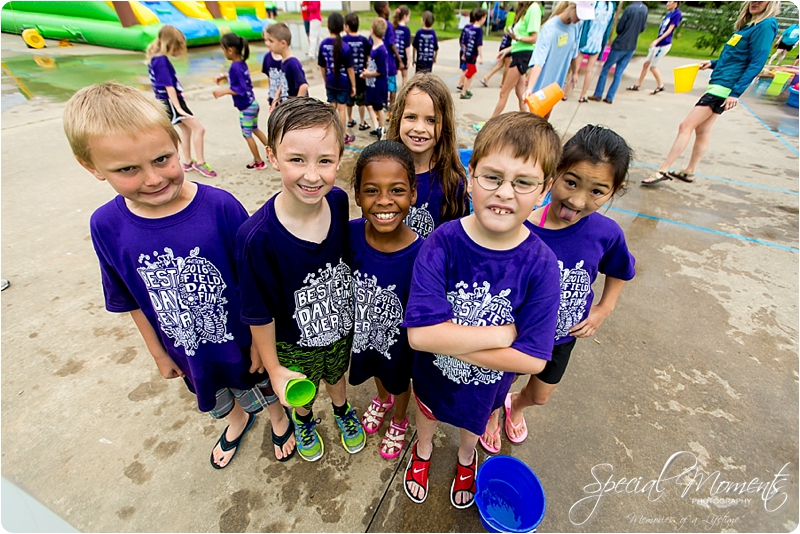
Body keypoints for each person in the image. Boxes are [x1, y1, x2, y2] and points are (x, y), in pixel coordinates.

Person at [63, 82, 296, 467]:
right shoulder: (105, 226)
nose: (153, 179)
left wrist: (261, 344)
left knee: (261, 385)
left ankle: (275, 416)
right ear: (92, 167)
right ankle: (237, 420)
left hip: (241, 339)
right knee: (212, 392)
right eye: (127, 169)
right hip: (184, 347)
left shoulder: (220, 207)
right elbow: (128, 298)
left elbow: (255, 282)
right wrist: (158, 352)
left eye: (162, 159)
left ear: (177, 144)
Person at [402, 112, 561, 508]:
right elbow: (419, 336)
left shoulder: (541, 265)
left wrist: (448, 340)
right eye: (493, 177)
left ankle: (466, 458)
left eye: (523, 182)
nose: (505, 192)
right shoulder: (441, 243)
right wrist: (499, 334)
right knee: (426, 413)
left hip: (488, 387)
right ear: (470, 176)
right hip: (432, 376)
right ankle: (422, 452)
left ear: (544, 190)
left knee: (473, 424)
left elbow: (534, 359)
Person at [487, 124, 636, 451]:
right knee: (497, 382)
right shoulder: (520, 226)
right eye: (571, 182)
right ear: (553, 173)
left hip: (563, 337)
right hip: (515, 334)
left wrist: (604, 308)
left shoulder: (606, 233)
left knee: (540, 395)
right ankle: (492, 415)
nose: (578, 199)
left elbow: (621, 270)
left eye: (597, 191)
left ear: (616, 190)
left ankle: (517, 406)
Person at [235, 97, 366, 462]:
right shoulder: (256, 238)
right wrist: (275, 369)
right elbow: (258, 311)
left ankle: (342, 410)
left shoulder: (339, 202)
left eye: (324, 160)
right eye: (297, 159)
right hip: (292, 344)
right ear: (273, 156)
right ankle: (304, 420)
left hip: (340, 329)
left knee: (337, 374)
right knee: (301, 392)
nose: (312, 175)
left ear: (340, 157)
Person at [641, 1, 779, 186]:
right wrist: (713, 63)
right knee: (702, 129)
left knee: (685, 126)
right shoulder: (750, 26)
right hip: (720, 82)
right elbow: (736, 57)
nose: (754, 2)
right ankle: (689, 171)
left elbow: (756, 63)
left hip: (724, 87)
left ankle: (662, 170)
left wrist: (735, 93)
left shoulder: (765, 25)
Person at [348, 140, 423, 461]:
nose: (384, 201)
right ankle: (382, 399)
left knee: (398, 376)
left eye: (396, 190)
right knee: (376, 367)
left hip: (402, 341)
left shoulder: (424, 253)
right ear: (357, 195)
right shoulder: (348, 235)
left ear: (413, 194)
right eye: (371, 190)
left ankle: (399, 419)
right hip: (364, 331)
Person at [385, 73, 470, 238]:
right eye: (411, 117)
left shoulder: (453, 183)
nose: (419, 128)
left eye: (431, 120)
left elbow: (459, 241)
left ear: (444, 125)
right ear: (398, 119)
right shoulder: (381, 172)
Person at [146, 25, 215, 178]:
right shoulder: (161, 60)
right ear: (172, 44)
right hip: (171, 102)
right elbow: (169, 86)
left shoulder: (155, 57)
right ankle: (200, 162)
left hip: (168, 101)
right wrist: (179, 109)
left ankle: (188, 161)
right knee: (199, 129)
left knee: (186, 129)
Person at [523, 1, 595, 117]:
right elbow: (539, 60)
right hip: (541, 86)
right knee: (533, 123)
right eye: (579, 15)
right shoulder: (550, 29)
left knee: (545, 120)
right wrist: (530, 88)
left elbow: (573, 50)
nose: (580, 19)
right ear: (572, 7)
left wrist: (574, 72)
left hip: (555, 85)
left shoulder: (576, 25)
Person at [213, 34, 270, 170]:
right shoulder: (241, 64)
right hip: (253, 104)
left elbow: (240, 89)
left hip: (246, 107)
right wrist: (225, 77)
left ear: (230, 50)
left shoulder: (235, 67)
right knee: (255, 128)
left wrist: (223, 91)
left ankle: (258, 161)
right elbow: (239, 81)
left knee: (247, 134)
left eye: (224, 50)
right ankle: (273, 151)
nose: (224, 53)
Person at [589, 0, 648, 104]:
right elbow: (642, 28)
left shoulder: (629, 9)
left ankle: (598, 93)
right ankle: (610, 97)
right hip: (632, 45)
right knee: (619, 72)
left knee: (606, 69)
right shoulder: (644, 9)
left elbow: (620, 27)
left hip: (620, 44)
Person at [490, 2, 543, 117]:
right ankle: (527, 123)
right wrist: (507, 50)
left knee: (504, 92)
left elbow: (534, 38)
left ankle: (490, 124)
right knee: (520, 93)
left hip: (522, 56)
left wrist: (516, 37)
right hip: (518, 53)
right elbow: (520, 43)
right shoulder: (526, 10)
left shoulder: (533, 9)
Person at [627, 1, 681, 94]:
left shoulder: (677, 14)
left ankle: (661, 85)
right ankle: (638, 85)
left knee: (653, 67)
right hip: (658, 43)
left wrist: (658, 40)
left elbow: (669, 30)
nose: (667, 3)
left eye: (670, 1)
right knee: (646, 64)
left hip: (664, 44)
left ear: (676, 3)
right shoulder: (669, 14)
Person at [318, 13, 357, 145]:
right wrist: (353, 86)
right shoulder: (345, 47)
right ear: (342, 27)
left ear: (328, 26)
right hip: (343, 82)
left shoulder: (323, 44)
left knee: (331, 108)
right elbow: (350, 69)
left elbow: (322, 66)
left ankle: (330, 135)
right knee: (341, 109)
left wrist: (325, 80)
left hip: (330, 81)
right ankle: (343, 135)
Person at [576, 0, 616, 103]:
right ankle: (582, 95)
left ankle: (565, 93)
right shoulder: (611, 6)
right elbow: (608, 27)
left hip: (586, 38)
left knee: (575, 69)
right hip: (598, 41)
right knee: (589, 70)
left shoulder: (595, 3)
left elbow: (586, 22)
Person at [265, 23, 309, 101]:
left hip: (296, 110)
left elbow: (303, 86)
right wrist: (276, 97)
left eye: (271, 41)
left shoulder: (292, 63)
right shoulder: (283, 61)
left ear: (283, 43)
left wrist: (295, 106)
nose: (268, 44)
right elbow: (284, 82)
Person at [343, 12, 371, 132]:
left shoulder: (344, 40)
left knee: (349, 101)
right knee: (361, 101)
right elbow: (368, 57)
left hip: (348, 76)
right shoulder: (364, 40)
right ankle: (362, 121)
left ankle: (349, 119)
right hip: (361, 75)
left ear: (347, 26)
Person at [363, 18, 390, 141]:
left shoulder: (381, 50)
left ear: (372, 30)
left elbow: (381, 71)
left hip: (378, 83)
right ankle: (377, 127)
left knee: (379, 107)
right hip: (371, 83)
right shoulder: (373, 46)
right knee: (369, 104)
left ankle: (382, 128)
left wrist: (368, 74)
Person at [374, 2, 402, 111]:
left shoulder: (375, 24)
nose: (389, 8)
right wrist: (399, 59)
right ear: (383, 9)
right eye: (387, 6)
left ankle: (378, 110)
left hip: (377, 64)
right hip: (389, 63)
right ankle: (391, 111)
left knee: (379, 88)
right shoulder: (388, 25)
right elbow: (392, 44)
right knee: (392, 89)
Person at [480, 7, 515, 87]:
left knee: (500, 65)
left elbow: (505, 31)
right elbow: (512, 34)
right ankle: (503, 83)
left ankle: (487, 77)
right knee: (507, 65)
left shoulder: (507, 24)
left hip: (503, 45)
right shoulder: (513, 24)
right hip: (507, 45)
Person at [458, 8, 486, 100]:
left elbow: (464, 42)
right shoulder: (479, 30)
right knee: (469, 73)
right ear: (482, 18)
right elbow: (479, 44)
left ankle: (466, 89)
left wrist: (464, 53)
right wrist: (481, 57)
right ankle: (464, 91)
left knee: (472, 71)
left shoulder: (469, 28)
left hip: (467, 54)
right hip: (472, 55)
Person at [262, 25, 287, 110]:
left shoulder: (286, 60)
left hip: (284, 98)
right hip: (274, 97)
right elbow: (269, 77)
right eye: (265, 40)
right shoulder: (267, 58)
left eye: (270, 41)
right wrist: (270, 94)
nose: (267, 43)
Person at [393, 6, 412, 86]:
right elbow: (407, 46)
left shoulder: (393, 27)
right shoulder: (406, 30)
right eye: (409, 17)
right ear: (405, 16)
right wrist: (408, 59)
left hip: (394, 56)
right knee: (404, 77)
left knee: (394, 76)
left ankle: (392, 91)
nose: (409, 19)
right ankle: (404, 92)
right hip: (403, 56)